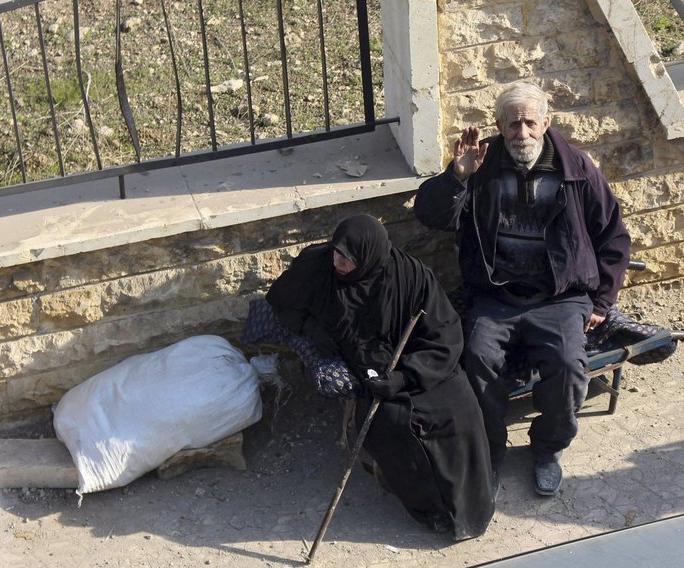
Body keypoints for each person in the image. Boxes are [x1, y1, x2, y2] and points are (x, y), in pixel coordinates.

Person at [414, 82, 631, 496]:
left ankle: (548, 448)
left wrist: (603, 300)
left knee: (568, 366)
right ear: (499, 126)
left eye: (531, 123)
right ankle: (489, 452)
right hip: (497, 297)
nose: (523, 133)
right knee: (475, 360)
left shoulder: (577, 170)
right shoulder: (481, 166)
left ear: (546, 123)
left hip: (560, 297)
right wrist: (457, 175)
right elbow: (432, 216)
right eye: (513, 124)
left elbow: (614, 236)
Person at [264, 214, 495, 540]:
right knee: (390, 426)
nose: (337, 261)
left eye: (347, 258)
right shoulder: (318, 267)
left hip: (419, 364)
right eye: (336, 253)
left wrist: (404, 377)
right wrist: (312, 328)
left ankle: (471, 506)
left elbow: (445, 335)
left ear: (369, 257)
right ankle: (429, 507)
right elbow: (280, 302)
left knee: (460, 412)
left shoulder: (411, 276)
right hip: (365, 369)